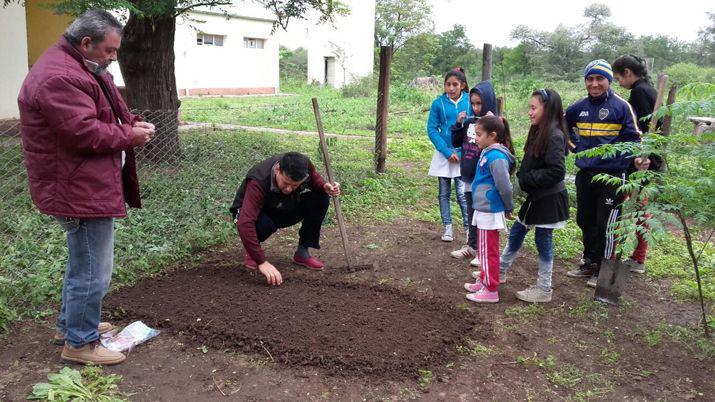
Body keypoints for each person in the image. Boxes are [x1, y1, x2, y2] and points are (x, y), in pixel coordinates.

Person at [17, 10, 155, 365]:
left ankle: (72, 325)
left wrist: (132, 123)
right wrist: (130, 136)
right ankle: (80, 343)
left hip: (83, 183)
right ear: (86, 43)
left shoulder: (83, 68)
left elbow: (101, 113)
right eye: (110, 50)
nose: (114, 57)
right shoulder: (60, 76)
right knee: (93, 270)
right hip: (78, 189)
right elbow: (82, 132)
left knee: (83, 264)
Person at [565, 59, 646, 288]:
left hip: (612, 176)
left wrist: (638, 158)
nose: (594, 84)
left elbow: (634, 139)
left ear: (609, 81)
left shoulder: (622, 107)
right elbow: (563, 125)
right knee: (585, 219)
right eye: (590, 79)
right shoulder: (577, 107)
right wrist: (575, 147)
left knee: (607, 224)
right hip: (586, 173)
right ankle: (589, 261)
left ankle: (605, 269)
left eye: (599, 79)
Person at [499, 89, 570, 303]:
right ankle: (499, 271)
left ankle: (544, 288)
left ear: (547, 109)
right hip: (537, 198)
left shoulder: (555, 135)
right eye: (529, 107)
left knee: (543, 239)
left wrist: (528, 179)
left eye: (533, 108)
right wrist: (525, 176)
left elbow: (557, 171)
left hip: (549, 199)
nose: (529, 112)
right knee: (518, 231)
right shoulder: (538, 130)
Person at [229, 152, 340, 286]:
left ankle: (302, 252)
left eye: (294, 185)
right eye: (286, 183)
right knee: (263, 224)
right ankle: (252, 251)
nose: (288, 189)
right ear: (277, 170)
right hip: (253, 214)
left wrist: (324, 186)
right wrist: (262, 262)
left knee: (321, 197)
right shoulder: (258, 181)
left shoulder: (304, 167)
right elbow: (245, 222)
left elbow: (314, 179)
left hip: (281, 206)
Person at [612, 54, 663, 274]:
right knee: (640, 208)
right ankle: (638, 257)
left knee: (632, 207)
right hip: (650, 158)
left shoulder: (640, 92)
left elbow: (641, 130)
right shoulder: (649, 90)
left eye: (619, 78)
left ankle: (630, 256)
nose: (619, 83)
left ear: (628, 73)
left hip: (643, 160)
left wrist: (642, 158)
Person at [463, 115, 515, 303]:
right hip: (483, 209)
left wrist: (508, 206)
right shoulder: (488, 152)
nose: (475, 138)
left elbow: (505, 186)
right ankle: (484, 280)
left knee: (488, 251)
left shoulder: (496, 157)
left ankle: (491, 289)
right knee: (483, 251)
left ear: (492, 135)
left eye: (478, 134)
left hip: (490, 211)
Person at [449, 81, 497, 267]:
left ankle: (483, 251)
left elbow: (503, 145)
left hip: (484, 178)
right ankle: (472, 246)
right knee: (471, 213)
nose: (476, 108)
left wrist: (496, 121)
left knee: (482, 214)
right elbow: (456, 141)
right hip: (468, 175)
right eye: (473, 103)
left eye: (480, 104)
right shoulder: (469, 121)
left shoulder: (495, 123)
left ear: (489, 102)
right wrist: (458, 123)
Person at [427, 68, 471, 242]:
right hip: (443, 154)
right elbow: (432, 129)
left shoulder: (469, 102)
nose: (451, 88)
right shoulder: (438, 104)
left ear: (463, 85)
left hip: (463, 155)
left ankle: (469, 229)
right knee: (443, 193)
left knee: (462, 194)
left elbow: (474, 129)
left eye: (455, 84)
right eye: (448, 84)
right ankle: (447, 228)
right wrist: (446, 151)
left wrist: (460, 151)